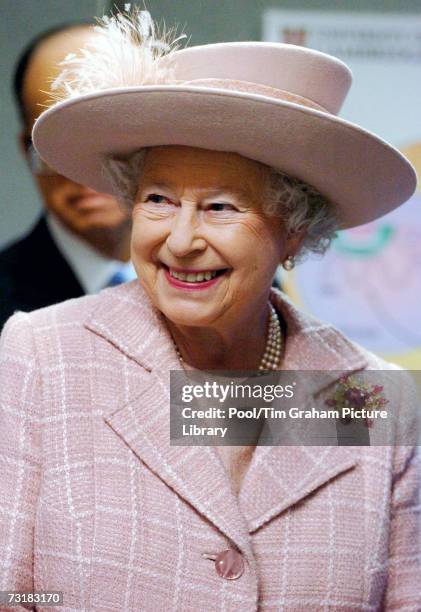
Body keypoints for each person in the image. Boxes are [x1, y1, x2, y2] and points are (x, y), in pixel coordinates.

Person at [0, 9, 419, 611]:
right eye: (158, 199)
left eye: (221, 207)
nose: (180, 239)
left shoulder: (372, 398)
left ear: (294, 229)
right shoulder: (44, 356)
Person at [0, 23, 135, 331]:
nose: (83, 165)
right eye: (56, 139)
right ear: (27, 148)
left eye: (108, 132)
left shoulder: (226, 292)